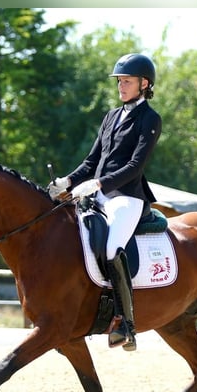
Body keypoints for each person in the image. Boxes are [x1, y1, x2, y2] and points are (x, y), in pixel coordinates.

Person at [48, 53, 162, 352]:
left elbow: (136, 166)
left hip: (127, 198)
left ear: (144, 83)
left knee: (112, 248)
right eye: (119, 81)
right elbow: (92, 161)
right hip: (97, 195)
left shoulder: (150, 119)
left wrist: (99, 183)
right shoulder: (111, 116)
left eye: (127, 81)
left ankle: (126, 323)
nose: (121, 86)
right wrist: (67, 182)